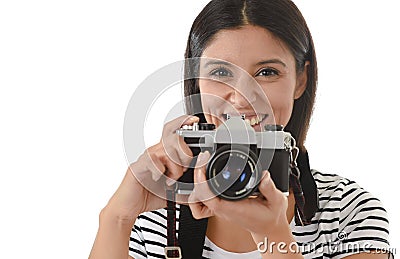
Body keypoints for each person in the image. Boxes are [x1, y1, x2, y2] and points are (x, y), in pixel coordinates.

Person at [89, 0, 392, 258]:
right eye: (220, 72)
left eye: (267, 72)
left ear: (300, 80)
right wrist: (118, 217)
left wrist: (274, 236)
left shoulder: (348, 211)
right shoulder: (157, 218)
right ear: (197, 82)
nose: (243, 96)